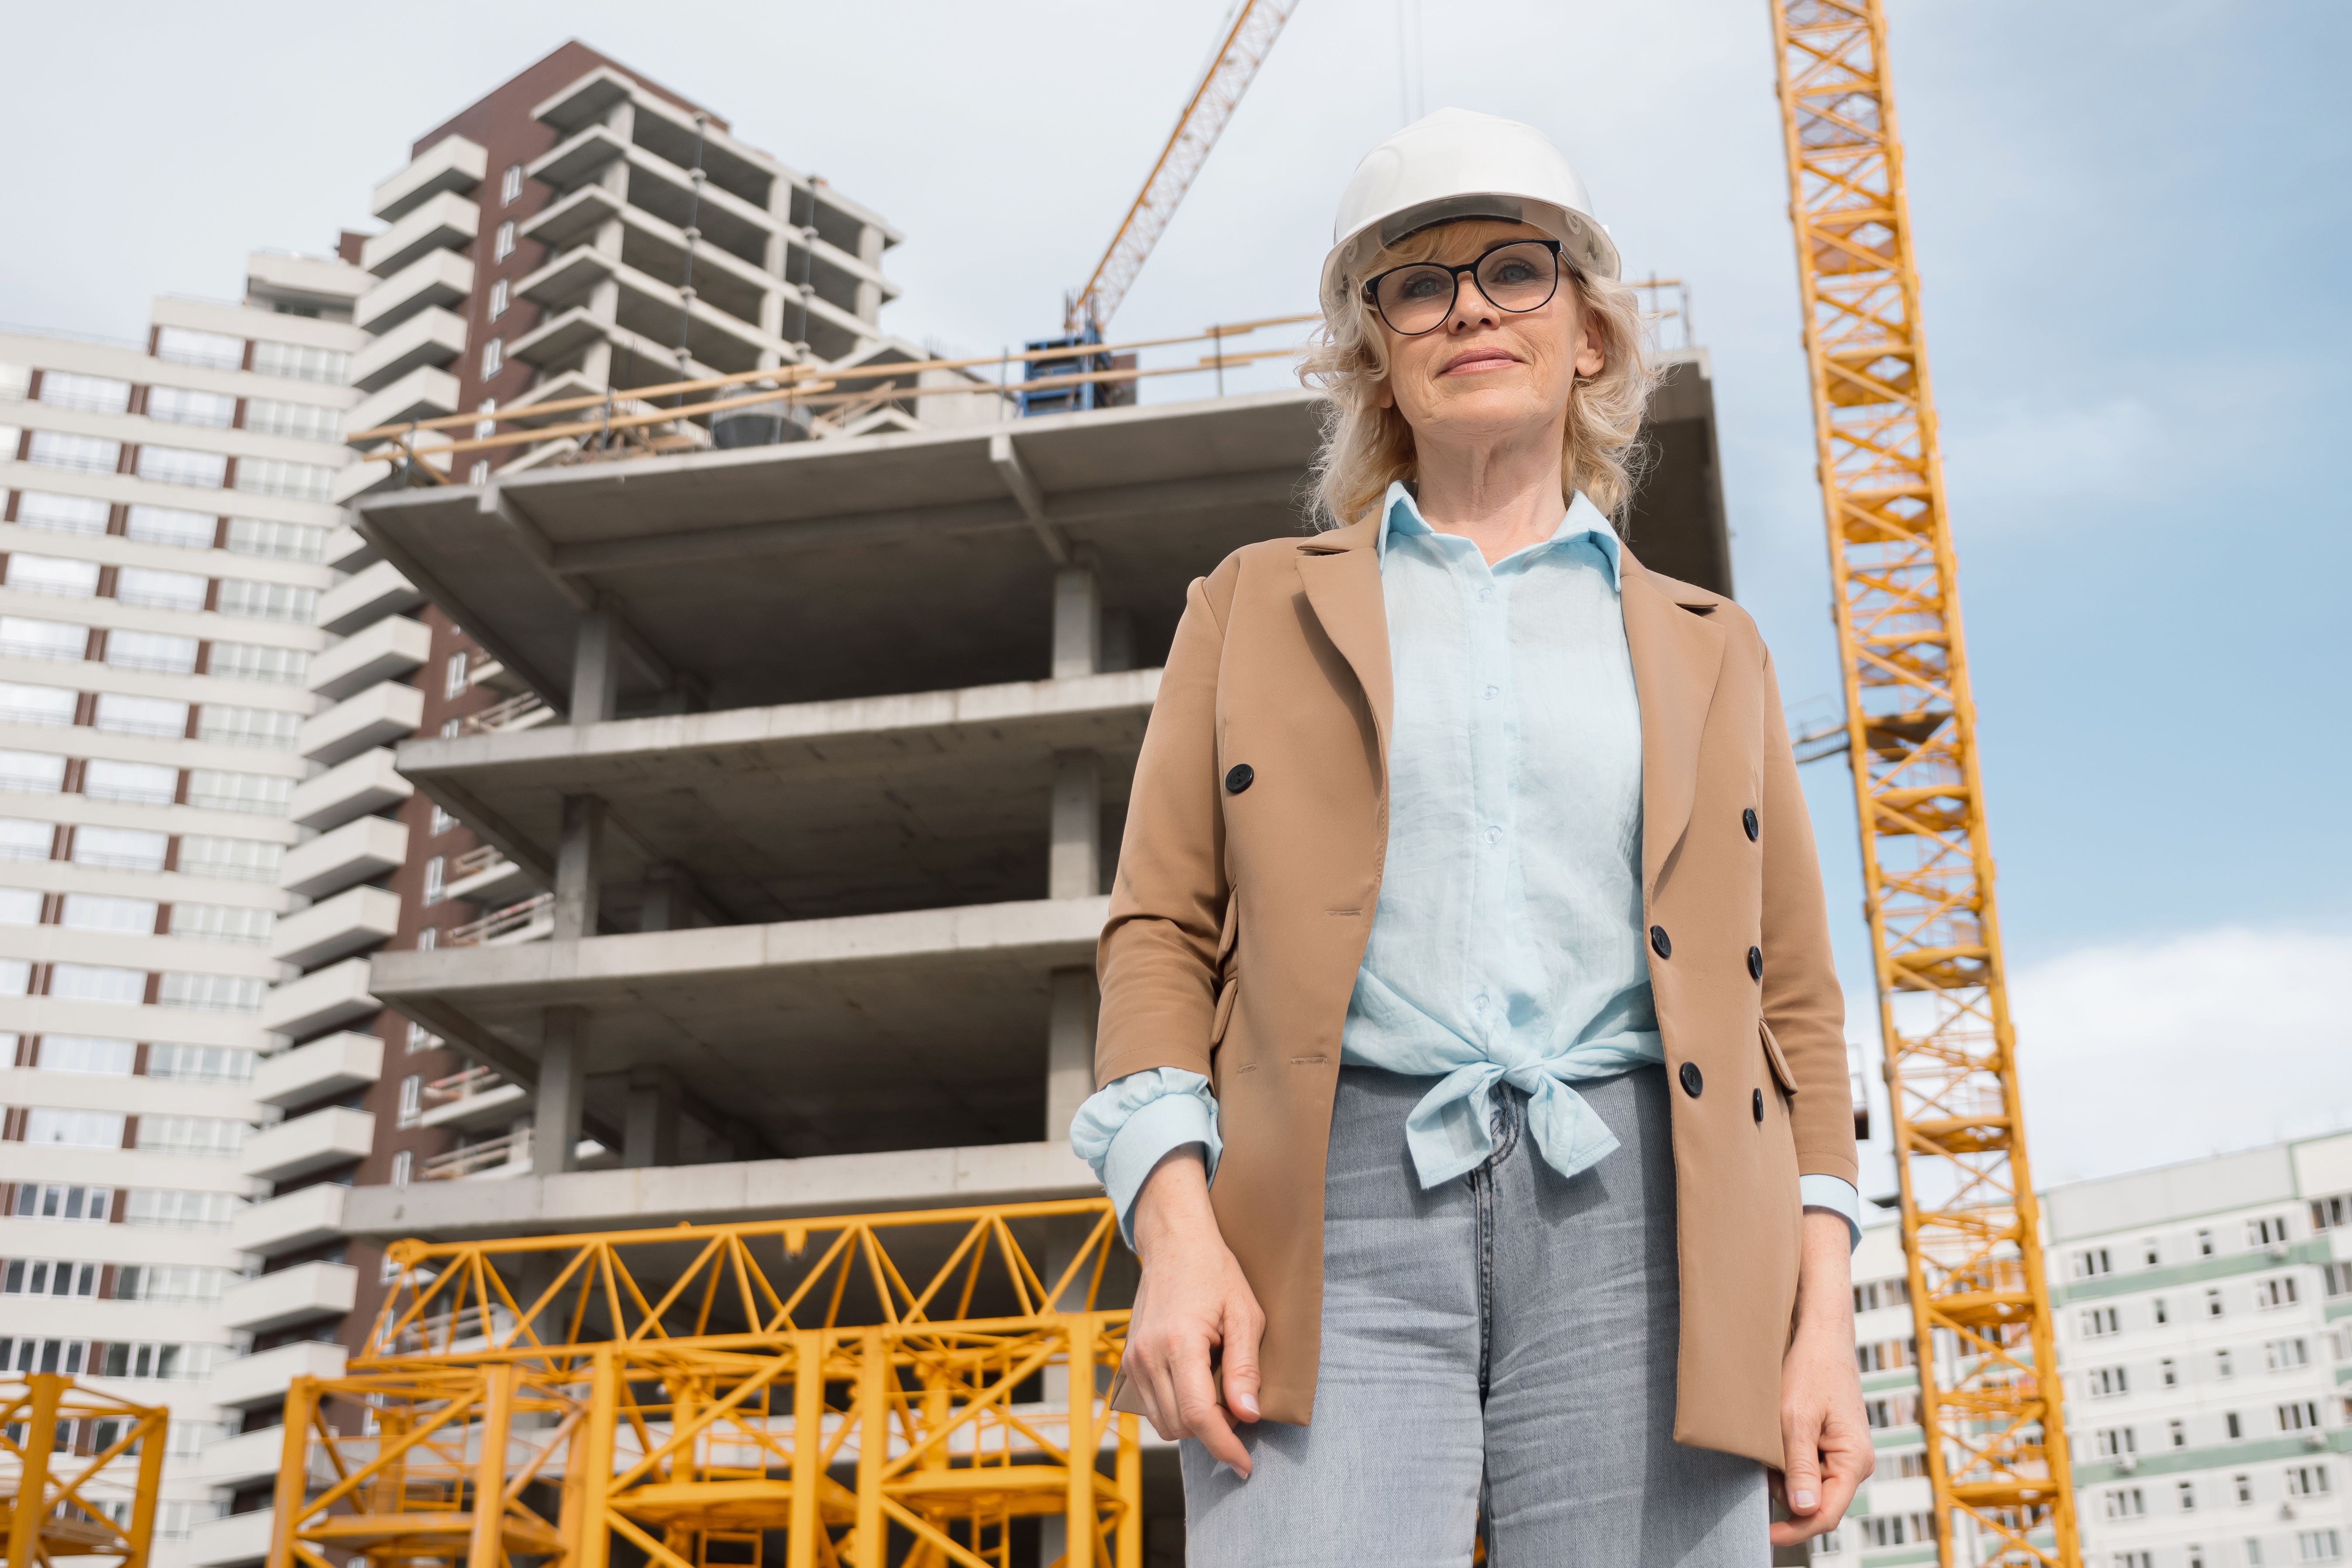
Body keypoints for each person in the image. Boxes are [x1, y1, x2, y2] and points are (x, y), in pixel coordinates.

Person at [1070, 108, 1871, 1564]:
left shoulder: (1714, 648)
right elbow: (1159, 936)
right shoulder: (1248, 604)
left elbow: (1796, 1011)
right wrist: (1173, 1234)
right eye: (1417, 285)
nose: (1469, 311)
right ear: (1375, 350)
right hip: (1326, 1215)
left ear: (1590, 334)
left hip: (1657, 1227)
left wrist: (1821, 1324)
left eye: (1517, 269)